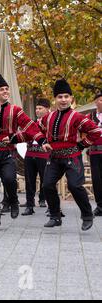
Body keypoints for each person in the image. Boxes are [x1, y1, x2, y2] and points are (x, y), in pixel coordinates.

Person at [0, 73, 46, 228]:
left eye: (7, 89)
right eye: (2, 90)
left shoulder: (16, 110)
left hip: (8, 152)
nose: (6, 92)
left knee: (9, 179)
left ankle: (13, 201)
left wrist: (18, 138)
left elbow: (30, 127)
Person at [40, 79, 102, 231]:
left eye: (66, 96)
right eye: (60, 97)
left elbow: (95, 132)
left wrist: (82, 145)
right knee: (47, 185)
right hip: (54, 158)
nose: (63, 100)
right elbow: (35, 129)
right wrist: (42, 140)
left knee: (74, 185)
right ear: (55, 99)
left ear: (71, 98)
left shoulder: (77, 117)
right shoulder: (48, 117)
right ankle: (55, 216)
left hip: (72, 157)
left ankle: (87, 215)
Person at [20, 98, 51, 216]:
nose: (37, 110)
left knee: (47, 180)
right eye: (36, 108)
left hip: (44, 154)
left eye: (40, 108)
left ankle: (48, 203)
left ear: (47, 109)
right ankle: (29, 205)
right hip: (30, 153)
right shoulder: (32, 123)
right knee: (29, 181)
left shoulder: (51, 122)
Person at [88, 90, 102, 216]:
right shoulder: (89, 117)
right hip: (94, 153)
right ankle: (99, 206)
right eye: (101, 100)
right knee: (96, 179)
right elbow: (81, 131)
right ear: (96, 102)